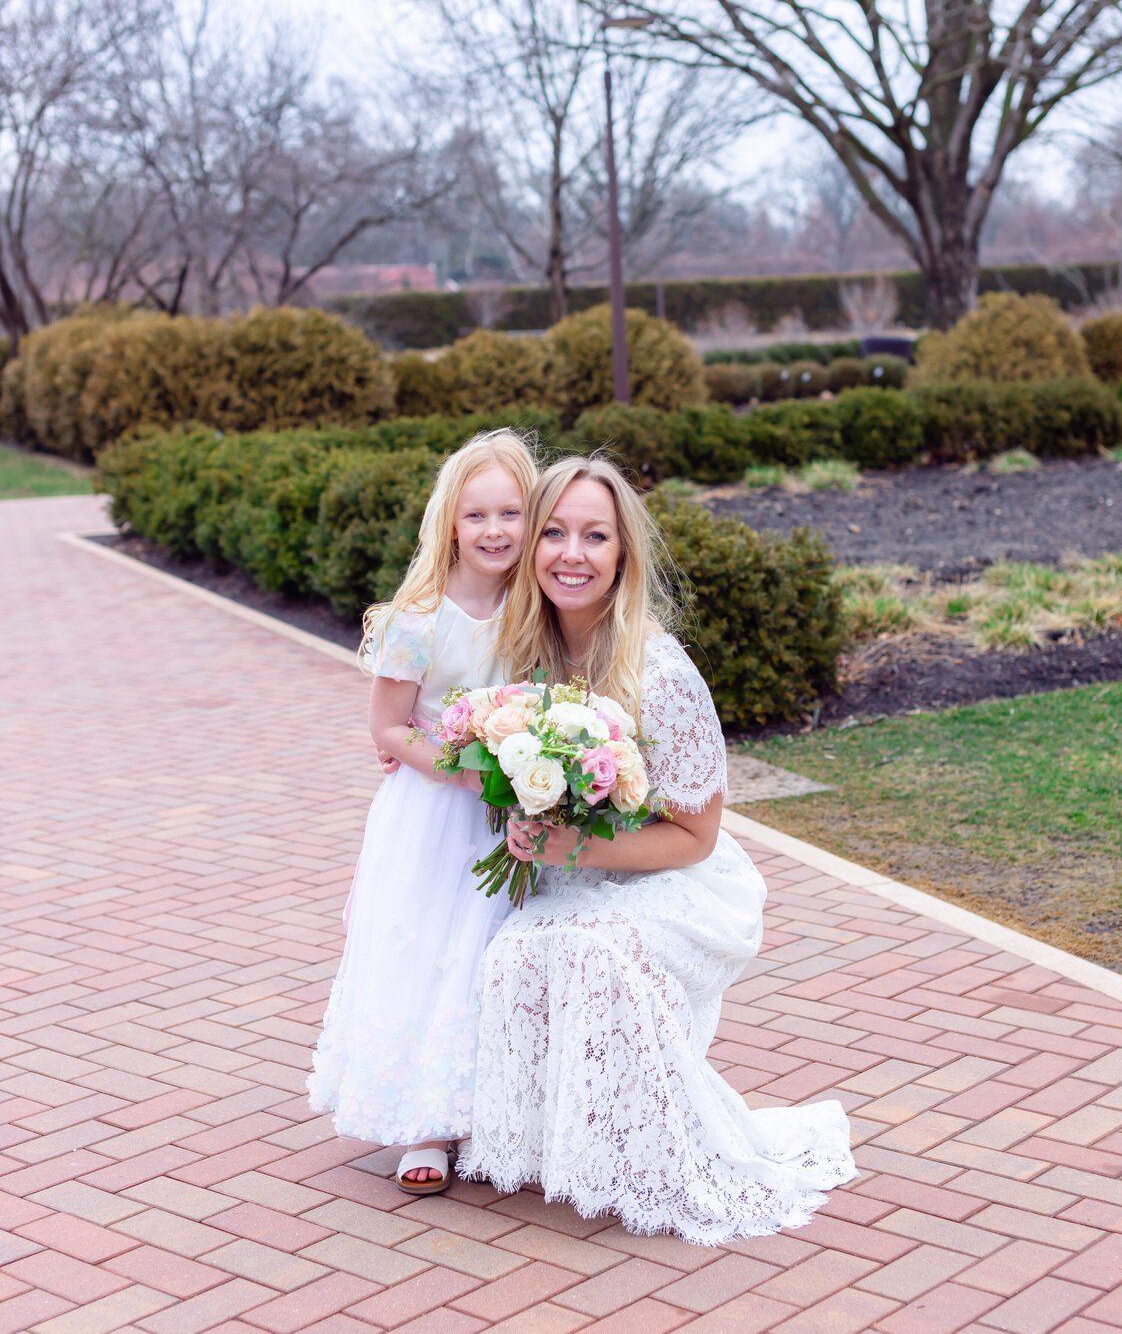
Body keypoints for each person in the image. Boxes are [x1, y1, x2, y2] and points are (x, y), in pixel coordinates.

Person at [457, 455, 855, 1243]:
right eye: (556, 533)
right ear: (532, 547)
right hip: (579, 870)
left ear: (622, 556)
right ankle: (564, 1145)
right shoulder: (523, 660)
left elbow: (696, 835)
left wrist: (571, 847)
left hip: (681, 880)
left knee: (596, 951)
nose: (573, 554)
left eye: (595, 536)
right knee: (512, 951)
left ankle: (651, 1157)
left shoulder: (657, 668)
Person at [308, 429, 537, 1196]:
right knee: (429, 949)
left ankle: (493, 1110)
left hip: (516, 806)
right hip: (438, 812)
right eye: (478, 516)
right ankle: (426, 1122)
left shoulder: (533, 607)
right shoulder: (419, 616)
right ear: (450, 524)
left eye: (511, 512)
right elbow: (387, 728)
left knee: (494, 955)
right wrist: (463, 770)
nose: (496, 531)